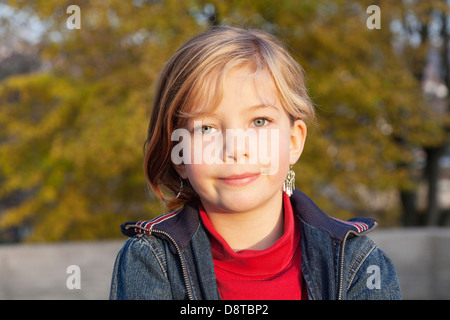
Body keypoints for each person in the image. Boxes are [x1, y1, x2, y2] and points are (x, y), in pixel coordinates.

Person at [109, 25, 402, 300]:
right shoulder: (150, 260)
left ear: (293, 140)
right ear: (179, 153)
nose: (235, 149)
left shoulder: (357, 262)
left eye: (259, 121)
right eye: (206, 128)